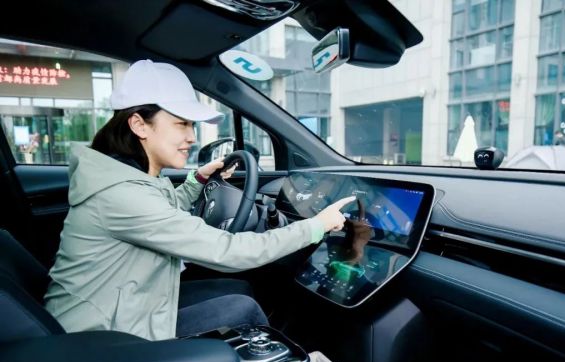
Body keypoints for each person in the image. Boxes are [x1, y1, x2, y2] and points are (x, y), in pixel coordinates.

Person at [44, 60, 354, 341]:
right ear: (139, 125)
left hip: (122, 308)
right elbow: (229, 251)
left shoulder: (126, 177)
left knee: (239, 289)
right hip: (101, 339)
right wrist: (315, 226)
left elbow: (161, 213)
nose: (192, 137)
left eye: (191, 125)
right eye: (182, 123)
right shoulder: (122, 194)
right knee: (243, 308)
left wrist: (198, 181)